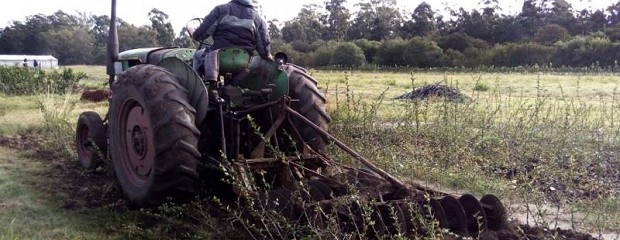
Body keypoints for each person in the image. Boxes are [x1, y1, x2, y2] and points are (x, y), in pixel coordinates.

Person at [191, 0, 272, 81]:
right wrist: (268, 56)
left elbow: (201, 34)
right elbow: (264, 47)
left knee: (197, 56)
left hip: (219, 57)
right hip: (243, 61)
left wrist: (194, 34)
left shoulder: (220, 10)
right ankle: (234, 84)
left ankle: (197, 87)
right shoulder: (258, 19)